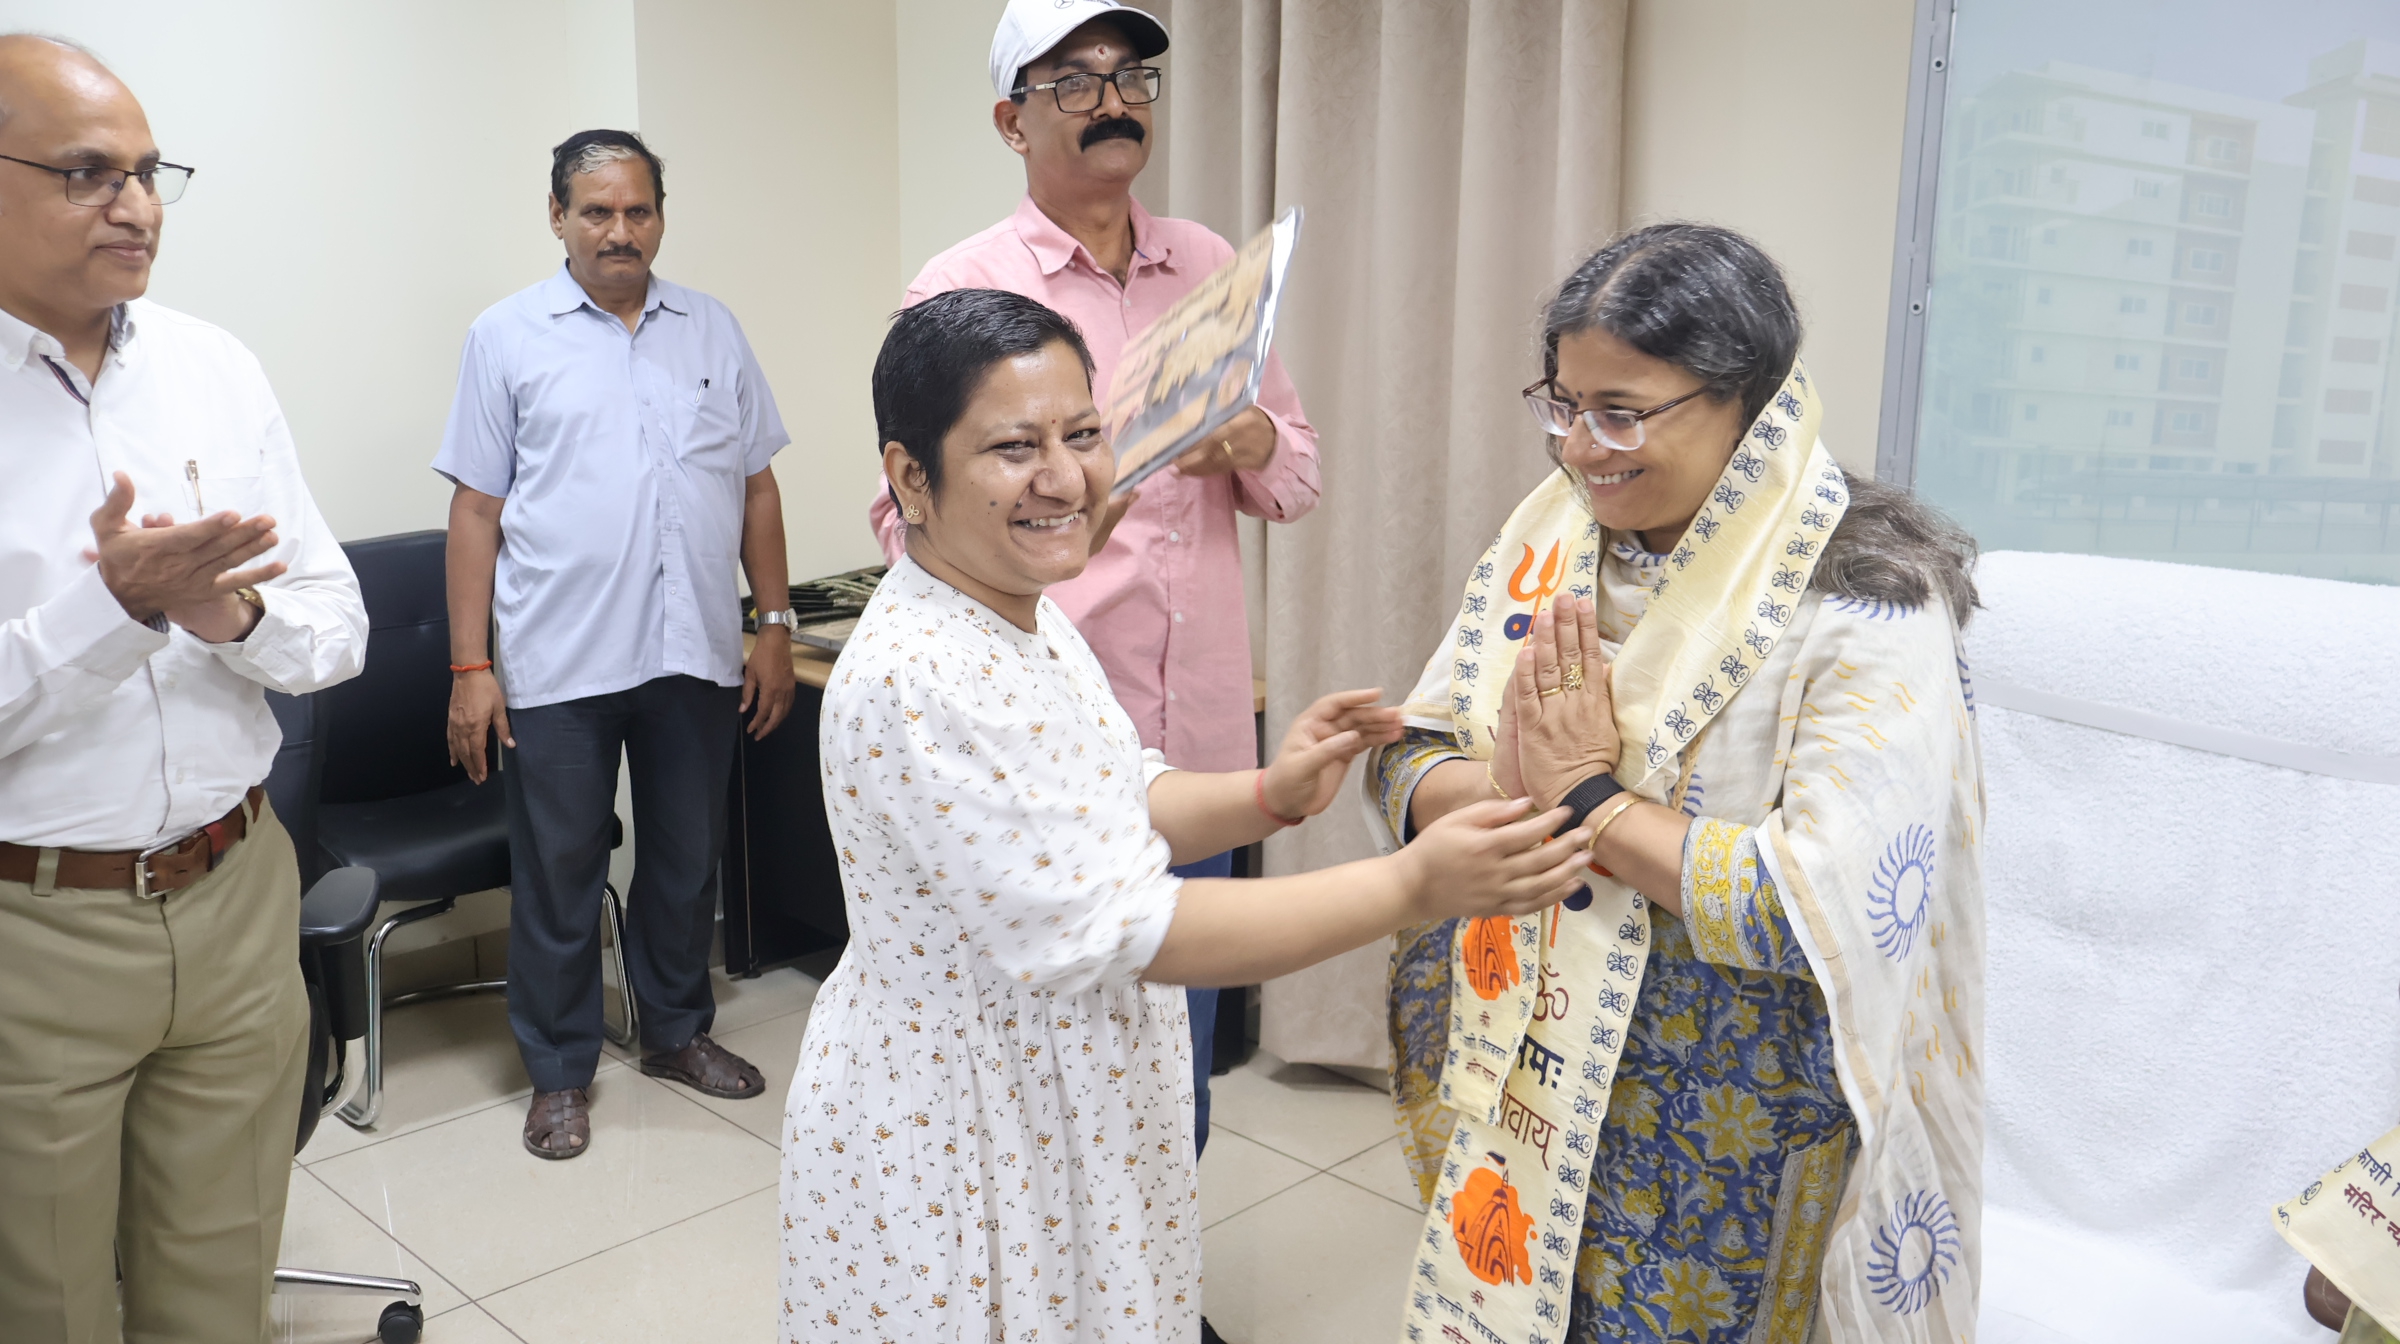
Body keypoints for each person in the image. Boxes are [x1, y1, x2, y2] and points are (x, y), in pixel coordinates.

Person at [782, 287, 1594, 1342]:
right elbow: (1127, 925)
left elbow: (1116, 796)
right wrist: (1413, 884)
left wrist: (1268, 795)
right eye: (1014, 448)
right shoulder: (923, 676)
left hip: (1062, 1088)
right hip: (970, 1120)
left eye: (1083, 435)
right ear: (910, 477)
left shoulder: (1020, 612)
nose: (1065, 477)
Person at [1371, 224, 1987, 1342]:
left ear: (1746, 400)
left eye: (1621, 412)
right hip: (1532, 1071)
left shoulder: (1865, 599)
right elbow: (1408, 757)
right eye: (1563, 405)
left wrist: (1586, 799)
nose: (1580, 448)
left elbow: (1812, 913)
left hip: (1729, 1109)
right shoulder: (1554, 544)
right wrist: (1509, 788)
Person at [870, 0, 1323, 1160]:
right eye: (1072, 80)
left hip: (1199, 735)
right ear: (1011, 121)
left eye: (1130, 77)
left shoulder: (1209, 267)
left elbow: (1297, 478)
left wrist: (1251, 441)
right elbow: (900, 518)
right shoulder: (964, 288)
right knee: (1051, 1079)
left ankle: (1159, 1261)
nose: (1112, 102)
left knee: (1181, 1070)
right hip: (1044, 745)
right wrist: (1057, 512)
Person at [0, 33, 368, 1341]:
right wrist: (110, 610)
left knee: (220, 1293)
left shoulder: (214, 367)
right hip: (34, 932)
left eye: (151, 173)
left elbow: (334, 629)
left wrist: (229, 614)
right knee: (44, 1305)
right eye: (89, 173)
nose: (138, 206)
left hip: (235, 891)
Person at [436, 129, 794, 1160]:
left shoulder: (711, 329)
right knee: (560, 872)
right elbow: (475, 511)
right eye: (596, 211)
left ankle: (676, 1030)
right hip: (559, 662)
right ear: (558, 217)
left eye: (638, 210)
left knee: (685, 858)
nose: (619, 230)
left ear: (660, 218)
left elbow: (757, 487)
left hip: (694, 651)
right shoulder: (506, 337)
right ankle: (559, 1072)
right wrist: (471, 667)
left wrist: (773, 626)